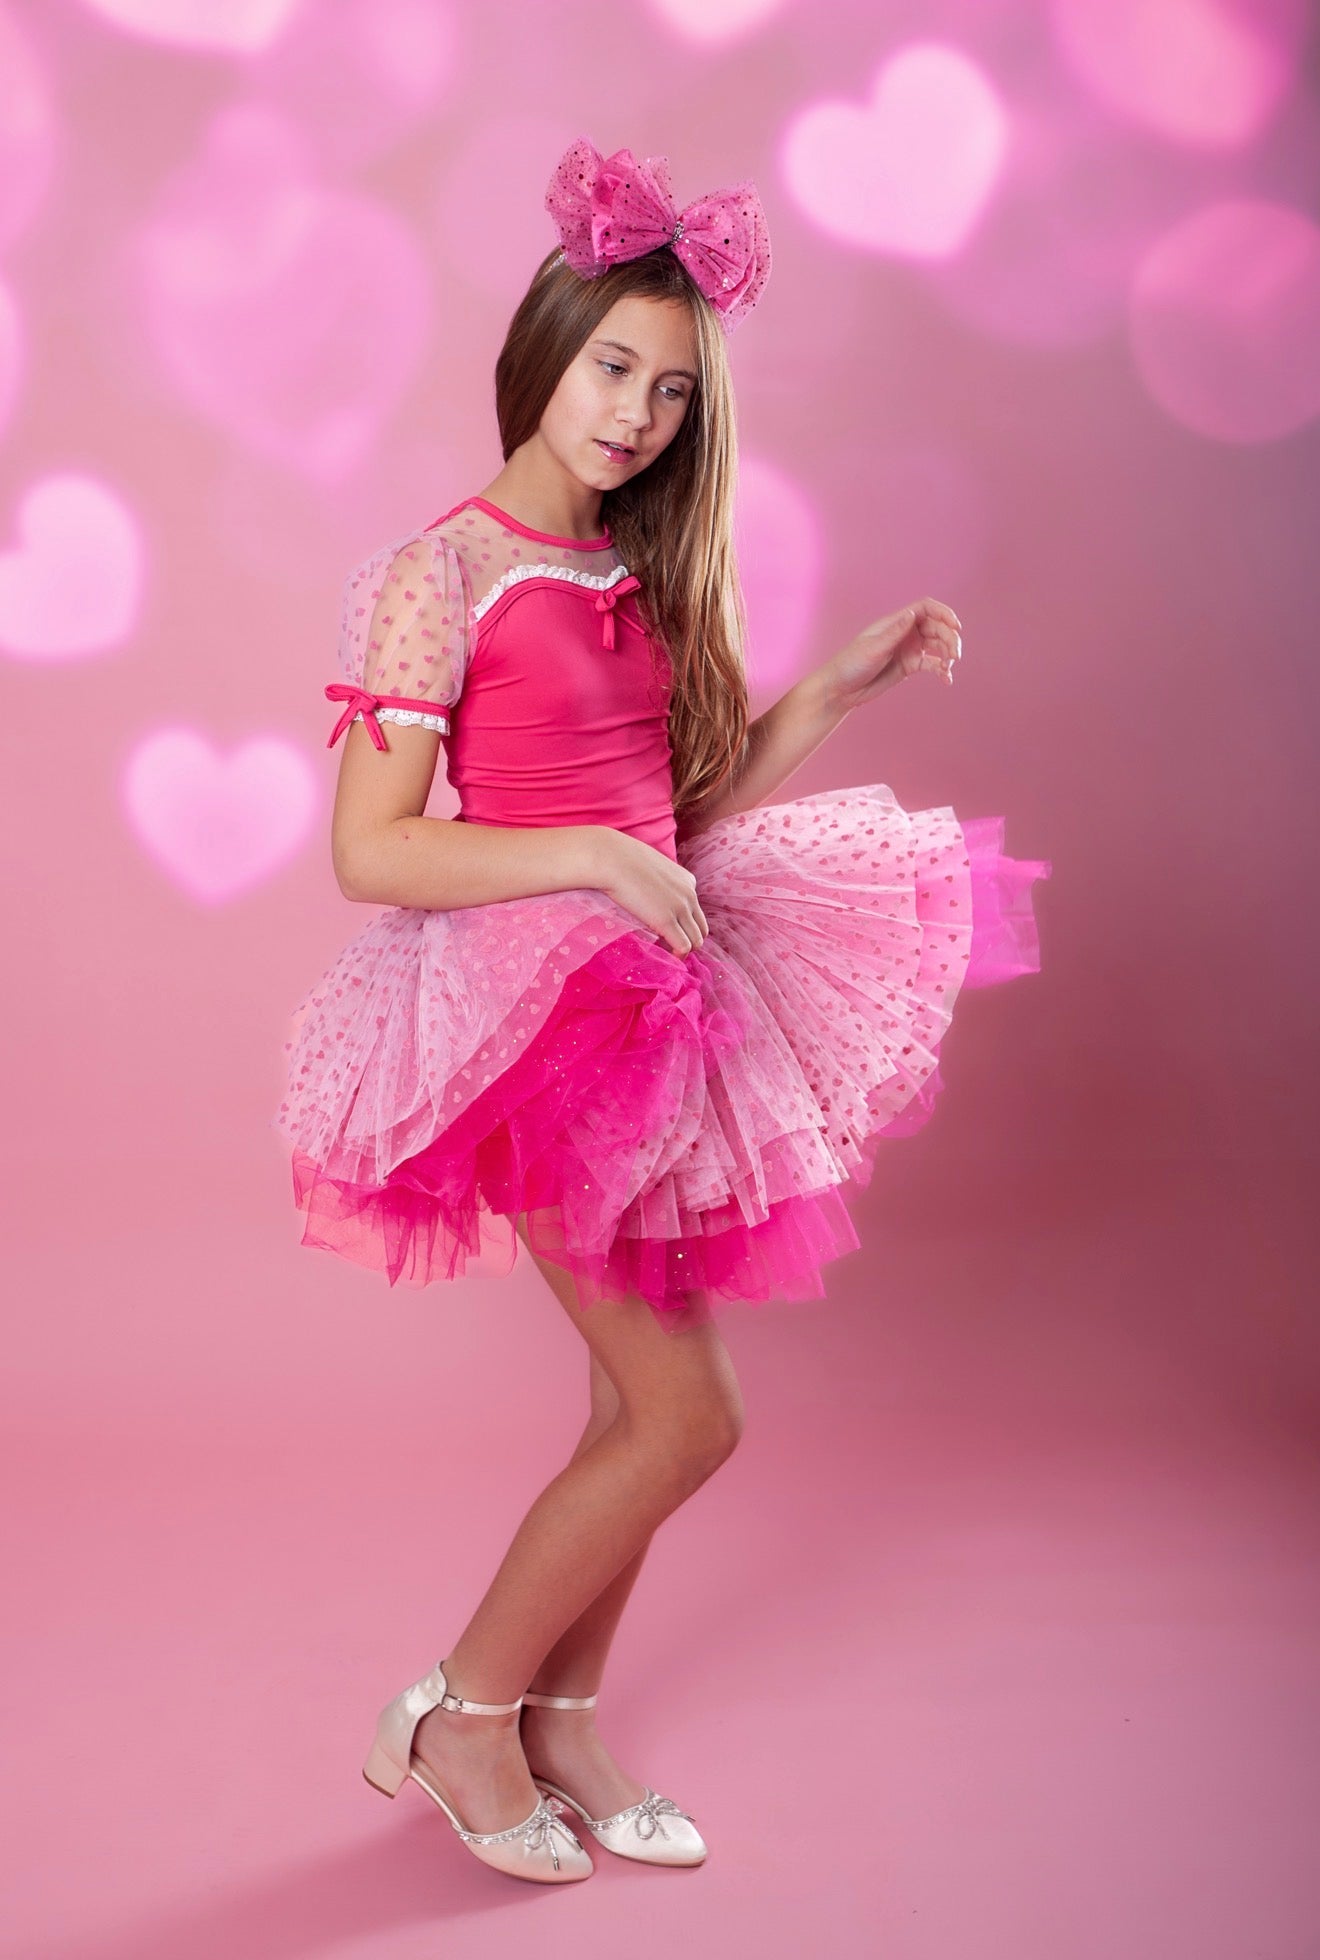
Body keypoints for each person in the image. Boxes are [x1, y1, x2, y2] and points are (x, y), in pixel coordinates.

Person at [274, 137, 1051, 1885]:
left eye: (673, 391)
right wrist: (591, 866)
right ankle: (463, 1712)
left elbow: (670, 815)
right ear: (544, 350)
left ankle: (562, 1717)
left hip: (650, 1005)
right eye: (614, 368)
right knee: (692, 1413)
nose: (635, 414)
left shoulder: (632, 568)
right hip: (530, 1024)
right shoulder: (440, 573)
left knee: (640, 1410)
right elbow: (373, 851)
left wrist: (832, 689)